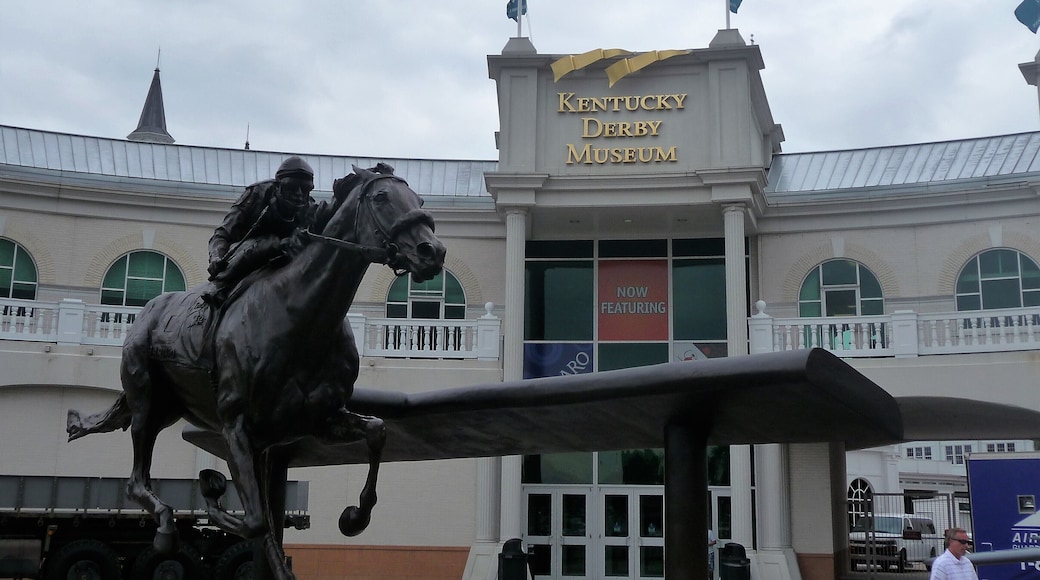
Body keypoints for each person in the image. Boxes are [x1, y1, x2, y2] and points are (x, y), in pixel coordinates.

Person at [204, 155, 317, 305]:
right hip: (247, 253)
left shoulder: (310, 208)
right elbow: (223, 233)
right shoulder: (256, 194)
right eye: (292, 187)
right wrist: (216, 257)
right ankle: (219, 286)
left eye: (305, 189)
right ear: (278, 186)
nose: (299, 194)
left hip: (286, 254)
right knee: (267, 242)